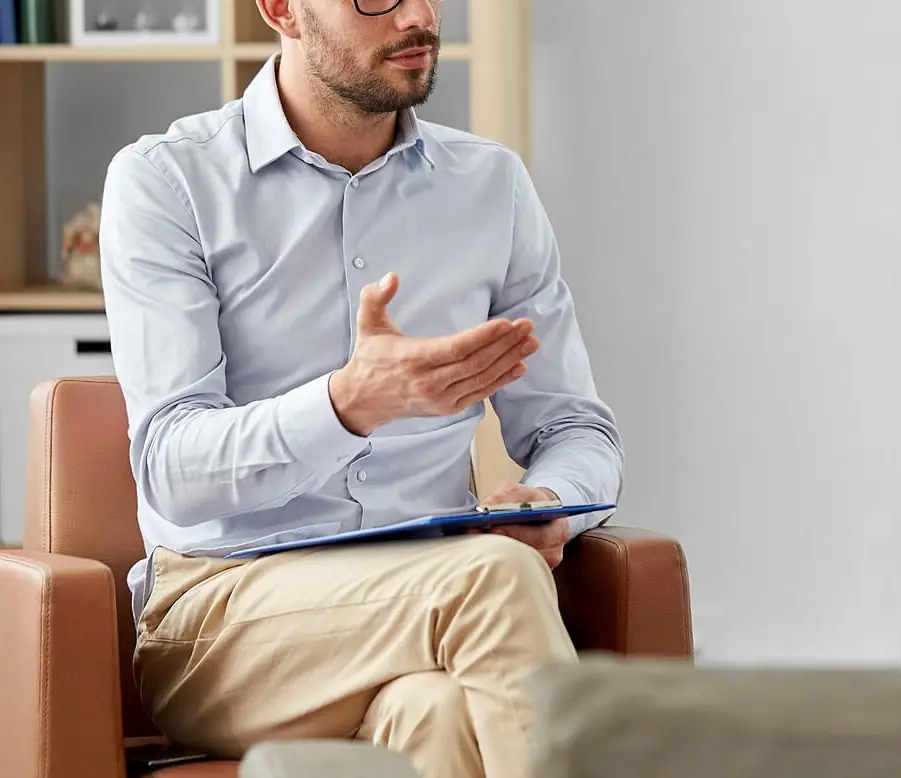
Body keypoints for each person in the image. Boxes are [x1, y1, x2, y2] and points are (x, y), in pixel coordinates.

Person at [96, 0, 621, 772]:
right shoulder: (167, 181)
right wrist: (349, 405)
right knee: (491, 580)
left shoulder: (490, 184)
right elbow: (174, 471)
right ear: (280, 9)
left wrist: (553, 504)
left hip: (430, 596)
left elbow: (576, 428)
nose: (418, 16)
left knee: (434, 714)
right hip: (222, 612)